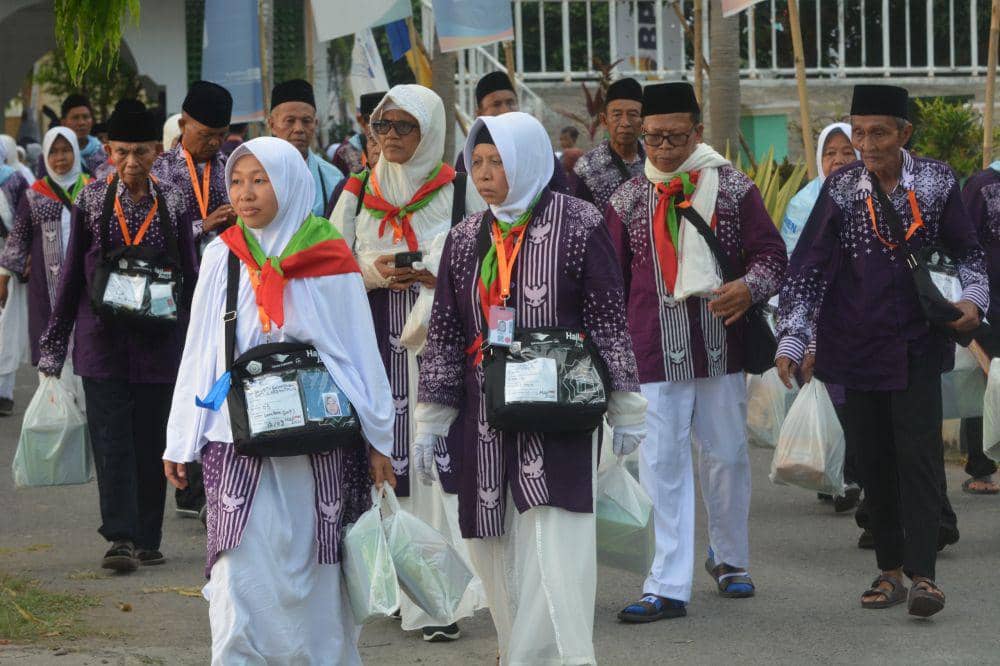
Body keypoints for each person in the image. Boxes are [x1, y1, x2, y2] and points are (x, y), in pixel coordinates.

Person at [415, 111, 646, 664]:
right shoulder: (464, 237)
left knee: (555, 535)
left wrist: (626, 407)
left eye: (498, 161)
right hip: (484, 409)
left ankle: (556, 655)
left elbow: (608, 320)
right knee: (490, 537)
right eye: (477, 162)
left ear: (528, 161)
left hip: (559, 407)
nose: (485, 173)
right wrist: (430, 420)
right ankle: (512, 644)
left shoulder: (580, 223)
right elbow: (445, 332)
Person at [162, 136, 395, 665]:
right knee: (236, 564)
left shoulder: (330, 257)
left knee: (318, 564)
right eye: (237, 181)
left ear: (288, 184)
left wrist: (380, 440)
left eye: (260, 180)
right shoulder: (223, 256)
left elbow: (360, 350)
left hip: (318, 439)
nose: (245, 194)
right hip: (236, 436)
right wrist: (181, 438)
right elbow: (200, 351)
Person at [775, 84, 990, 618]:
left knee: (919, 459)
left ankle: (924, 576)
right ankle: (889, 570)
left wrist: (973, 300)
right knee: (874, 462)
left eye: (879, 133)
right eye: (858, 133)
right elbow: (807, 269)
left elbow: (970, 252)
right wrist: (795, 339)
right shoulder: (841, 187)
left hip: (918, 343)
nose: (866, 145)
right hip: (854, 344)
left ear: (904, 133)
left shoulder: (937, 181)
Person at [609, 82, 787, 622]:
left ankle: (730, 558)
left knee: (727, 456)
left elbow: (772, 256)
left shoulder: (733, 188)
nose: (663, 148)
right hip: (651, 349)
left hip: (720, 346)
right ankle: (665, 584)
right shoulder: (626, 199)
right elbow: (609, 280)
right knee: (660, 464)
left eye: (676, 137)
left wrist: (749, 288)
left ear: (698, 132)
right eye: (654, 137)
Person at [329, 83, 487, 643]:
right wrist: (372, 272)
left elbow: (490, 259)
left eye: (405, 126)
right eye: (383, 125)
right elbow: (328, 264)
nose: (391, 136)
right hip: (373, 343)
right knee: (383, 463)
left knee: (437, 466)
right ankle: (395, 589)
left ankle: (441, 601)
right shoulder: (357, 190)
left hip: (440, 346)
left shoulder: (460, 190)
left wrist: (434, 272)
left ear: (431, 131)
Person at [37, 100, 199, 572]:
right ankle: (121, 538)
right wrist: (53, 348)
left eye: (141, 152)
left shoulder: (174, 200)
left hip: (158, 343)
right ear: (107, 151)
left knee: (151, 440)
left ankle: (148, 538)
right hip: (102, 343)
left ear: (157, 152)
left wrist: (200, 343)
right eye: (122, 152)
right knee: (111, 441)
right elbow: (72, 275)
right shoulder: (91, 200)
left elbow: (190, 273)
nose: (131, 162)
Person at [781, 122, 865, 521]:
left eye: (847, 152)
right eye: (830, 154)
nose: (839, 160)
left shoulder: (870, 197)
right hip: (814, 317)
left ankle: (847, 476)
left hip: (858, 316)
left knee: (848, 401)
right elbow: (795, 270)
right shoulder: (803, 205)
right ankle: (832, 474)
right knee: (826, 396)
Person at [0, 128, 90, 391]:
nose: (60, 158)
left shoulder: (92, 188)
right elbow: (18, 239)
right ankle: (56, 403)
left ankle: (85, 406)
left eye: (66, 150)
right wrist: (3, 278)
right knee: (51, 348)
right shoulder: (35, 194)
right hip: (46, 289)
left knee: (87, 344)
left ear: (75, 152)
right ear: (46, 157)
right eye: (54, 152)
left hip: (87, 285)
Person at [453, 71, 571, 194]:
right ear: (480, 114)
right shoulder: (469, 158)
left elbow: (561, 193)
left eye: (510, 102)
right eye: (496, 104)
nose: (506, 110)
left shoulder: (537, 149)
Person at [152, 81, 236, 253]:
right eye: (206, 135)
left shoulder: (233, 168)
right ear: (183, 125)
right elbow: (152, 232)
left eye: (222, 135)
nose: (215, 142)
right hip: (177, 266)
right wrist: (202, 225)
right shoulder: (158, 171)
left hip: (226, 264)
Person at [957, 160, 1000, 494]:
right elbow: (962, 243)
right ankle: (981, 467)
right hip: (988, 305)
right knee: (984, 382)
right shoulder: (982, 185)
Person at [268, 79, 345, 217]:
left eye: (306, 121)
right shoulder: (255, 173)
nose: (299, 129)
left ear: (315, 124)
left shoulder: (333, 177)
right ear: (272, 125)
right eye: (290, 121)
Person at [572, 77, 645, 213]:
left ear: (643, 120)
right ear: (604, 120)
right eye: (617, 115)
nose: (625, 123)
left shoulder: (657, 158)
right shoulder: (586, 168)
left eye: (633, 114)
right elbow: (579, 218)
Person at [0, 137, 31, 415]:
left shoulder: (13, 181)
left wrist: (5, 272)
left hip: (7, 263)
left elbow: (23, 225)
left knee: (5, 326)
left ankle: (3, 392)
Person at [331, 91, 385, 178]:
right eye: (377, 123)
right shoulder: (345, 152)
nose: (381, 129)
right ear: (361, 121)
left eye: (385, 123)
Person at [58, 94, 105, 176]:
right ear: (63, 123)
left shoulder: (104, 153)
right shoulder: (53, 156)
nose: (81, 123)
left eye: (86, 117)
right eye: (75, 118)